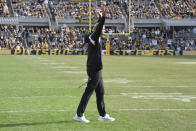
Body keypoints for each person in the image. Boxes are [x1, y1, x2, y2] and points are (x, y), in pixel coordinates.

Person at [73, 6, 115, 123]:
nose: (104, 29)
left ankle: (103, 114)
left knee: (100, 92)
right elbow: (99, 27)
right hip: (94, 69)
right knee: (89, 91)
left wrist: (100, 17)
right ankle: (79, 114)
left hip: (96, 69)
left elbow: (97, 27)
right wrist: (104, 17)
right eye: (103, 28)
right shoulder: (95, 37)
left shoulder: (93, 35)